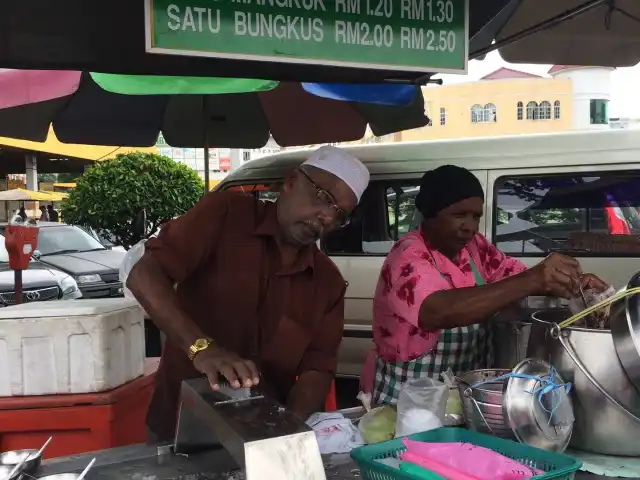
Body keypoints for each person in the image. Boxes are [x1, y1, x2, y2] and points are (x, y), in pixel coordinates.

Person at [127, 145, 370, 441]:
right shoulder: (224, 214)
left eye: (339, 214)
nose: (326, 218)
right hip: (180, 426)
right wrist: (201, 348)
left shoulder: (327, 283)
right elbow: (143, 275)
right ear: (291, 181)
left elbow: (317, 370)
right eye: (324, 198)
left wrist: (287, 428)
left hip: (261, 435)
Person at [361, 165, 608, 406]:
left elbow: (515, 278)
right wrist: (533, 278)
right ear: (430, 213)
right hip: (409, 402)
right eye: (459, 215)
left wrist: (572, 283)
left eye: (475, 216)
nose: (469, 226)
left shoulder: (474, 247)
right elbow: (437, 311)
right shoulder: (407, 256)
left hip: (460, 395)